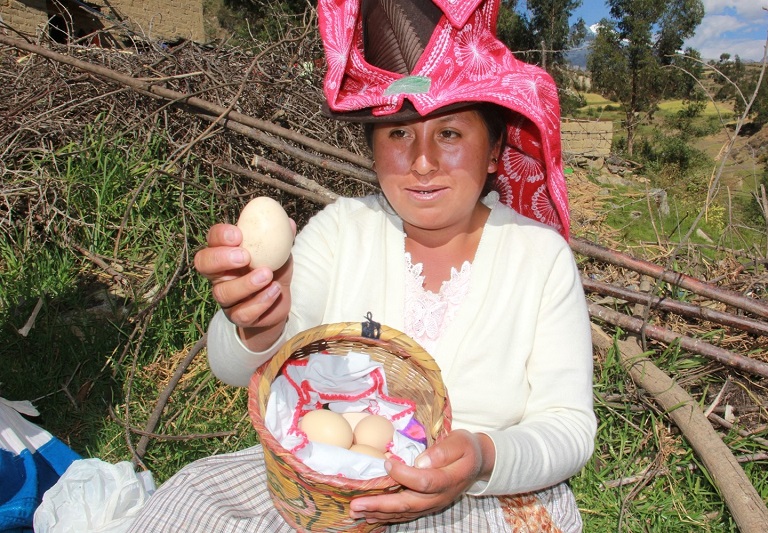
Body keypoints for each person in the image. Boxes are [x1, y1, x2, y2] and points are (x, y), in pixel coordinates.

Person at [128, 0, 595, 531]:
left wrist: (484, 459)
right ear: (372, 150)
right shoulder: (341, 231)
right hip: (326, 486)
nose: (422, 162)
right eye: (399, 134)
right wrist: (257, 321)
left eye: (450, 133)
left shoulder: (538, 257)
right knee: (188, 503)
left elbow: (569, 428)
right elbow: (235, 368)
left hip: (480, 496)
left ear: (493, 152)